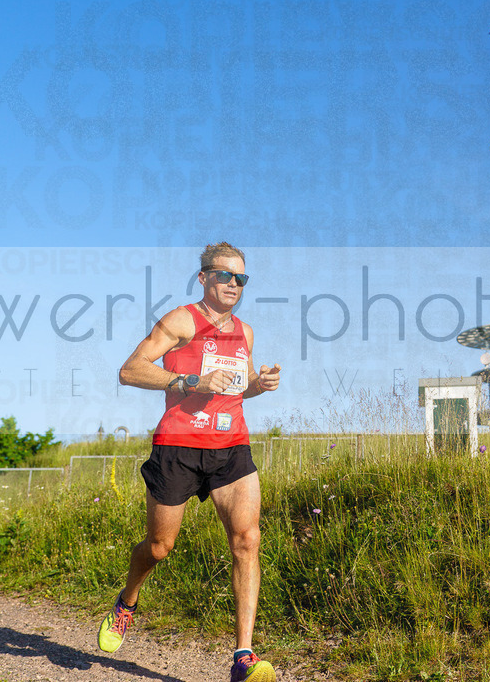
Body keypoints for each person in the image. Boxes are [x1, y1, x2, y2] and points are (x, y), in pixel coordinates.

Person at [99, 242, 280, 682]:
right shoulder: (181, 320)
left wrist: (259, 384)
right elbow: (130, 370)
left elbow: (238, 388)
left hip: (231, 447)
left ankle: (243, 658)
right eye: (225, 276)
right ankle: (127, 600)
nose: (234, 285)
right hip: (178, 447)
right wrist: (189, 380)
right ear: (204, 278)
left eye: (241, 278)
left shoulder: (245, 332)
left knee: (247, 539)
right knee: (159, 547)